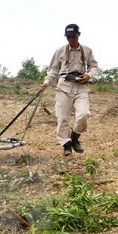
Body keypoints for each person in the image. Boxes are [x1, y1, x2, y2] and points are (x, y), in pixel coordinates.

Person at [39, 24, 99, 156]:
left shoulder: (87, 50)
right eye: (68, 36)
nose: (71, 39)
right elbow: (53, 70)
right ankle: (66, 145)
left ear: (79, 35)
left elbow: (94, 66)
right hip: (64, 87)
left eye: (73, 36)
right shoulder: (60, 51)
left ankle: (75, 138)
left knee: (84, 114)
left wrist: (89, 75)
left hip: (81, 86)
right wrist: (46, 83)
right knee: (63, 118)